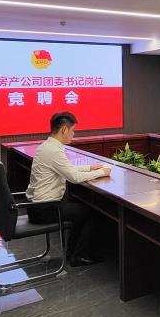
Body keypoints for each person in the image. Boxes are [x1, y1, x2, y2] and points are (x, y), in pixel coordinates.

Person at [26, 112, 111, 267]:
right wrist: (102, 172)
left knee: (80, 210)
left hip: (36, 206)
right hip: (44, 209)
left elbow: (67, 169)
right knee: (89, 212)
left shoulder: (46, 146)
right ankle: (79, 256)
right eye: (73, 130)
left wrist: (89, 167)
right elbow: (74, 177)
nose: (74, 134)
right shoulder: (54, 151)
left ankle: (73, 253)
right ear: (64, 129)